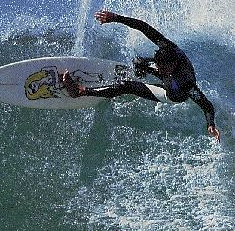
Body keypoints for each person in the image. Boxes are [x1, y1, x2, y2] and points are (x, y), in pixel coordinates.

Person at [63, 11, 220, 142]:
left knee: (127, 86)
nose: (159, 68)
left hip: (171, 93)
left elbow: (206, 105)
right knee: (139, 62)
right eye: (158, 65)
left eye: (162, 68)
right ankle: (135, 75)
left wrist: (210, 125)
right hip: (168, 72)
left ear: (172, 66)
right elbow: (143, 27)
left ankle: (81, 91)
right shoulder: (168, 47)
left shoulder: (186, 83)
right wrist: (116, 18)